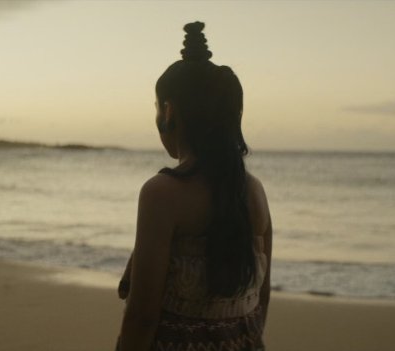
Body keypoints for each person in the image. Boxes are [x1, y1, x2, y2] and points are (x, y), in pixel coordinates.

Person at [117, 21, 273, 351]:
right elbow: (262, 297)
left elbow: (142, 316)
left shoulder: (162, 193)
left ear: (169, 111)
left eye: (157, 108)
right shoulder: (254, 190)